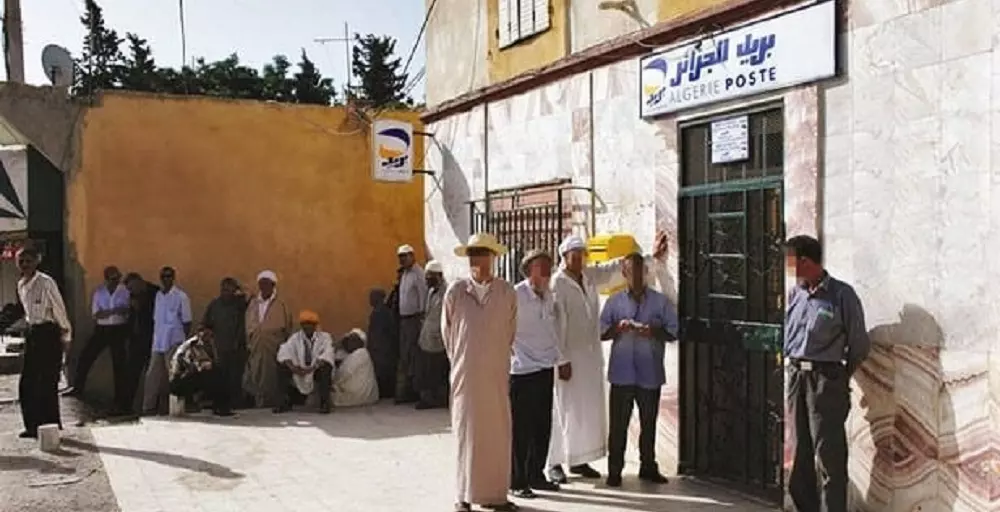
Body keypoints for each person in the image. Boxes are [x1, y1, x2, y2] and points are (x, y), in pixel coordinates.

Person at [547, 232, 669, 483]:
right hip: (566, 360)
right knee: (562, 410)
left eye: (582, 254)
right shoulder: (557, 284)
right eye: (575, 255)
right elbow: (554, 325)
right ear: (564, 257)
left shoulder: (588, 277)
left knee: (585, 411)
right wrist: (561, 360)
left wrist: (652, 257)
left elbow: (617, 268)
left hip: (589, 359)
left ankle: (579, 460)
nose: (580, 259)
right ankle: (554, 463)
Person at [785, 235, 870, 512]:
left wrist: (838, 377)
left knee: (828, 455)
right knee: (799, 454)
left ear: (806, 261)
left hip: (825, 380)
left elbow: (858, 345)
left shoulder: (842, 295)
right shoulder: (795, 294)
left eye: (790, 262)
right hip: (798, 377)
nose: (787, 269)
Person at [442, 233, 518, 512]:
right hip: (466, 375)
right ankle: (463, 496)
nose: (477, 259)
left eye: (483, 253)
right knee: (466, 433)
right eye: (473, 253)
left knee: (496, 433)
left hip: (496, 374)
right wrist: (464, 359)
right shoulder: (456, 292)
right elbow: (448, 332)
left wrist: (493, 357)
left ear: (493, 257)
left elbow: (510, 331)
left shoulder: (507, 292)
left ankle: (495, 495)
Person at [599, 252, 677, 487]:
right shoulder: (614, 302)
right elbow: (601, 333)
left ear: (645, 272)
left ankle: (648, 466)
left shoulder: (660, 302)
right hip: (622, 373)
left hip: (649, 373)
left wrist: (653, 331)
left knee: (649, 423)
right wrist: (617, 328)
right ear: (624, 273)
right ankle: (615, 470)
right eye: (630, 271)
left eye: (639, 271)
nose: (635, 276)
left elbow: (674, 331)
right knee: (619, 425)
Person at [2, 246, 72, 439]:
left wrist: (66, 336)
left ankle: (50, 425)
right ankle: (32, 425)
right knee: (28, 382)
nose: (24, 265)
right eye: (21, 261)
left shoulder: (46, 282)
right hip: (33, 333)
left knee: (47, 381)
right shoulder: (21, 285)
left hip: (49, 332)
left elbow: (59, 309)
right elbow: (24, 311)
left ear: (37, 261)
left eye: (28, 261)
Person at [509, 250, 563, 499]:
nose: (547, 271)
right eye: (541, 266)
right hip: (522, 369)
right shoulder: (516, 295)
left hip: (545, 367)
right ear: (528, 269)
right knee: (521, 428)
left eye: (549, 267)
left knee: (542, 425)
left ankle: (535, 474)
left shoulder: (549, 295)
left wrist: (559, 358)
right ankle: (516, 480)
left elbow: (552, 329)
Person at [67, 266, 131, 414]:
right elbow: (97, 315)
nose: (115, 281)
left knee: (119, 364)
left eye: (117, 278)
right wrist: (115, 311)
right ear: (106, 279)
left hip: (119, 329)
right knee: (86, 356)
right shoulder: (99, 292)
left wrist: (108, 312)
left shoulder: (124, 291)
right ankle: (78, 387)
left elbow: (127, 311)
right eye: (112, 279)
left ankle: (120, 398)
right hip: (102, 329)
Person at [142, 266, 192, 415]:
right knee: (153, 376)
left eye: (169, 276)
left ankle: (175, 408)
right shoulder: (158, 296)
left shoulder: (181, 297)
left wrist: (182, 344)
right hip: (158, 342)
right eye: (164, 276)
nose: (166, 279)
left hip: (174, 341)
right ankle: (148, 407)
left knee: (175, 376)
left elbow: (187, 321)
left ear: (173, 277)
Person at [244, 270, 293, 408]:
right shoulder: (254, 303)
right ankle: (258, 400)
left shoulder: (281, 304)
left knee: (272, 373)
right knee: (255, 371)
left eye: (267, 284)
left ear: (273, 285)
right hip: (256, 344)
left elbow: (287, 325)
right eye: (261, 284)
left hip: (274, 345)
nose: (264, 287)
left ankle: (272, 401)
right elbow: (248, 323)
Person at [201, 277, 248, 416]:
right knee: (219, 378)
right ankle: (219, 405)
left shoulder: (240, 305)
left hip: (237, 349)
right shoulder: (214, 305)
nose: (226, 293)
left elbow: (250, 295)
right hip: (219, 349)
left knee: (234, 378)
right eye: (224, 289)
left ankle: (233, 405)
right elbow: (205, 324)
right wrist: (206, 332)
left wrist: (240, 290)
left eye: (230, 290)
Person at [274, 310, 335, 414]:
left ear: (315, 325)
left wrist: (312, 368)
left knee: (326, 368)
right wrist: (293, 368)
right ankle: (283, 402)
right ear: (301, 325)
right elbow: (284, 351)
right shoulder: (295, 338)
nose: (308, 327)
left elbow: (328, 354)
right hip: (299, 370)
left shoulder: (325, 337)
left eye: (311, 324)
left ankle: (324, 403)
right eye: (305, 324)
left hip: (315, 369)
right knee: (282, 366)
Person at [394, 244, 428, 404]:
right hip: (404, 319)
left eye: (405, 256)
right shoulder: (404, 275)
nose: (402, 260)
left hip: (414, 319)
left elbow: (423, 296)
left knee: (413, 356)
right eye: (400, 257)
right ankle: (405, 392)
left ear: (412, 256)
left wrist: (421, 318)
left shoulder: (418, 274)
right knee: (405, 356)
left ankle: (413, 392)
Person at [414, 260, 449, 410]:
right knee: (426, 371)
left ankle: (439, 399)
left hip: (439, 340)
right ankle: (428, 398)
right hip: (427, 338)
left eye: (430, 276)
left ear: (439, 276)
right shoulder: (431, 292)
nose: (427, 279)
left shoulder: (446, 293)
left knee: (438, 371)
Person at [122, 273, 159, 414]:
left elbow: (155, 316)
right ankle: (126, 406)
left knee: (152, 375)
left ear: (139, 282)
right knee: (131, 373)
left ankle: (152, 406)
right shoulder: (133, 296)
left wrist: (140, 308)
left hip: (151, 339)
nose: (131, 291)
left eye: (132, 288)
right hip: (136, 340)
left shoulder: (155, 293)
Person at [168, 328, 218, 408]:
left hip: (182, 377)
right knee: (210, 375)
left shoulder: (198, 345)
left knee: (214, 371)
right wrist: (202, 366)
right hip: (178, 380)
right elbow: (188, 365)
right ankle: (191, 402)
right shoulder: (192, 345)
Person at [331, 328, 379, 407]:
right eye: (349, 340)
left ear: (360, 343)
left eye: (354, 340)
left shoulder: (360, 353)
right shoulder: (351, 354)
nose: (350, 343)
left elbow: (343, 374)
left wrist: (333, 383)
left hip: (357, 396)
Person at [366, 288, 397, 399]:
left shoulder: (381, 313)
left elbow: (380, 332)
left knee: (383, 370)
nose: (370, 299)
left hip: (382, 347)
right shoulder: (380, 311)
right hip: (380, 346)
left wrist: (375, 345)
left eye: (372, 297)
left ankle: (386, 392)